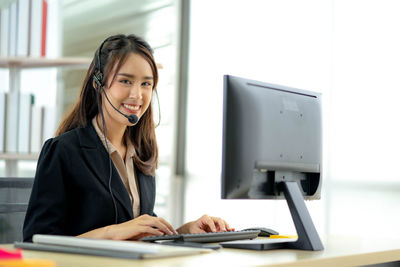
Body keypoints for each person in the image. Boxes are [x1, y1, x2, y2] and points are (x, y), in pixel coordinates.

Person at [23, 34, 233, 242]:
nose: (137, 95)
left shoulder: (142, 152)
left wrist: (186, 231)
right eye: (125, 81)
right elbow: (35, 241)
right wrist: (113, 232)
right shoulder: (63, 150)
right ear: (98, 82)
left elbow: (139, 231)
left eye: (146, 84)